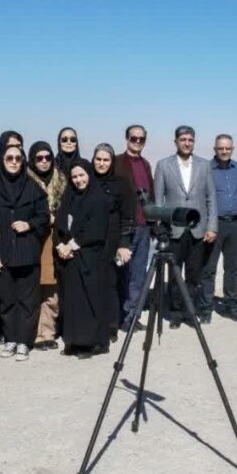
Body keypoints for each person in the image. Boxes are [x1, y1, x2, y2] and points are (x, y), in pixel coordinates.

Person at [0, 142, 50, 362]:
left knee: (27, 301)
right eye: (9, 158)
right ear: (2, 162)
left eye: (17, 158)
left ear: (23, 162)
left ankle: (23, 341)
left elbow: (44, 217)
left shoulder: (33, 188)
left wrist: (29, 224)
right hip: (2, 253)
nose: (14, 162)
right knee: (6, 300)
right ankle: (10, 339)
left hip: (27, 252)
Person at [153, 125, 218, 328]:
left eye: (190, 140)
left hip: (198, 229)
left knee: (193, 274)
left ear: (194, 142)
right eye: (183, 140)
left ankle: (190, 312)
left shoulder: (204, 165)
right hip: (174, 229)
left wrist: (212, 227)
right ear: (176, 142)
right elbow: (158, 202)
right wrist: (160, 229)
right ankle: (175, 313)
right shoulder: (163, 165)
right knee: (174, 274)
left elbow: (211, 198)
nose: (187, 143)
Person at [55, 159, 112, 355]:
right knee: (73, 301)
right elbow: (60, 224)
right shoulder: (69, 197)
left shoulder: (99, 199)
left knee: (90, 300)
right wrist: (60, 245)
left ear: (89, 175)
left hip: (90, 257)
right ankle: (74, 341)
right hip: (70, 259)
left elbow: (96, 230)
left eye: (82, 175)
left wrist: (71, 245)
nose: (78, 180)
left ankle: (93, 343)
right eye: (74, 177)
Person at [92, 143, 136, 339]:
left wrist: (124, 244)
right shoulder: (87, 180)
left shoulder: (121, 184)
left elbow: (128, 217)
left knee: (110, 284)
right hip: (89, 243)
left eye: (106, 160)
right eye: (98, 159)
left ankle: (110, 326)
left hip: (112, 242)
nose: (102, 163)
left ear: (112, 162)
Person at [203, 134, 237, 323]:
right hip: (214, 225)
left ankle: (231, 307)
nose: (224, 151)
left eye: (227, 148)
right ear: (215, 149)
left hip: (235, 224)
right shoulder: (206, 168)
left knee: (232, 269)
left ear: (232, 149)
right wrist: (207, 226)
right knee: (209, 269)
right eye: (221, 148)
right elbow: (203, 198)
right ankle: (205, 309)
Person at [114, 124, 155, 329]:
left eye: (141, 139)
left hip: (144, 227)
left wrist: (153, 224)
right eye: (134, 138)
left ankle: (132, 316)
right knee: (121, 272)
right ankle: (118, 316)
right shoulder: (117, 162)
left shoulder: (146, 164)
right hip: (124, 228)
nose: (137, 142)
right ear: (127, 139)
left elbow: (151, 195)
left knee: (138, 274)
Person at [27, 140, 66, 349]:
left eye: (47, 157)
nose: (43, 162)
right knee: (31, 290)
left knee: (51, 290)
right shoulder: (24, 182)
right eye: (39, 158)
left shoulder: (62, 181)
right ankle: (31, 333)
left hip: (53, 239)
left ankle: (46, 333)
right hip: (31, 239)